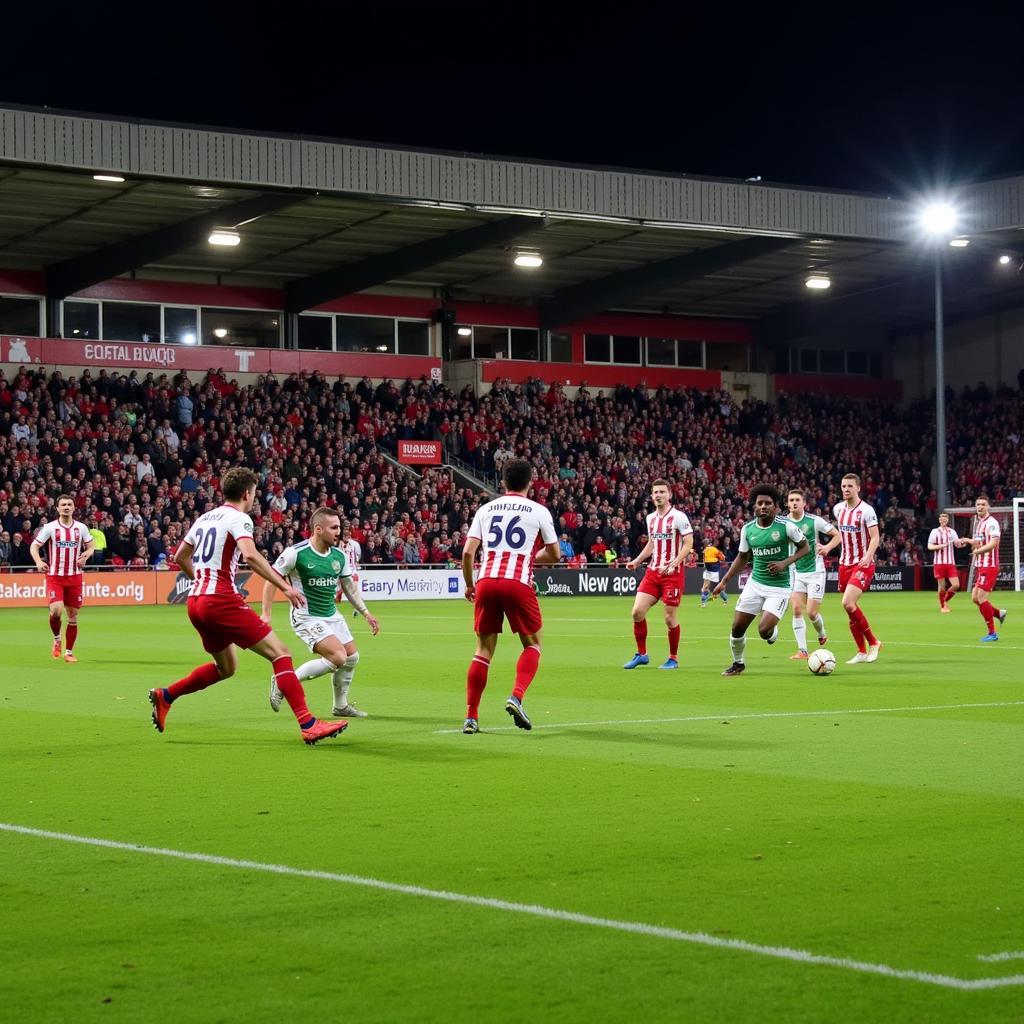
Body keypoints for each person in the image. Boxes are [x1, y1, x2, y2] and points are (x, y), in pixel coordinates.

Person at [147, 467, 349, 745]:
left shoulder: (205, 518)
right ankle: (308, 723)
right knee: (281, 654)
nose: (254, 499)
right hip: (219, 599)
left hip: (196, 602)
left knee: (226, 668)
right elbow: (251, 556)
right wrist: (285, 586)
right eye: (254, 494)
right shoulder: (239, 518)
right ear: (246, 493)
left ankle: (166, 695)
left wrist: (202, 582)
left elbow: (181, 556)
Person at [460, 458, 561, 734]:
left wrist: (470, 584)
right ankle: (516, 696)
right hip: (517, 582)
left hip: (486, 581)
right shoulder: (538, 511)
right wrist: (531, 559)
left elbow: (468, 553)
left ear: (502, 482)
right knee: (533, 645)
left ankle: (471, 717)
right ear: (531, 482)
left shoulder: (486, 509)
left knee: (483, 650)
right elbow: (555, 554)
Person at [263, 509, 380, 718]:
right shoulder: (295, 553)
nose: (339, 532)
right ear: (318, 529)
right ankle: (284, 681)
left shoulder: (339, 556)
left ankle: (340, 706)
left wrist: (366, 613)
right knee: (338, 657)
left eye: (339, 527)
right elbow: (270, 578)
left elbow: (349, 588)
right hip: (306, 616)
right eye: (333, 527)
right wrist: (266, 613)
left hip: (331, 614)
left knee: (352, 657)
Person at [711, 485, 809, 676]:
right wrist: (724, 581)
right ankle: (738, 664)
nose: (763, 506)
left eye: (768, 504)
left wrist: (784, 563)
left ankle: (771, 632)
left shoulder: (786, 527)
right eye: (760, 503)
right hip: (755, 584)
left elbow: (805, 548)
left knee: (764, 631)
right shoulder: (748, 529)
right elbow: (742, 557)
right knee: (737, 627)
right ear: (754, 506)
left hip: (780, 587)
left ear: (776, 507)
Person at [623, 479, 694, 670]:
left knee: (669, 618)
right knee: (637, 612)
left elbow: (688, 543)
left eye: (662, 492)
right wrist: (637, 560)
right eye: (655, 492)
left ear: (669, 494)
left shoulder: (679, 517)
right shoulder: (651, 518)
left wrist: (675, 563)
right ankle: (642, 654)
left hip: (673, 574)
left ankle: (673, 658)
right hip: (653, 572)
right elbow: (652, 543)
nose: (658, 495)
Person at [818, 473, 882, 664]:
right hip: (844, 564)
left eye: (849, 486)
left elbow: (875, 537)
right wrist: (828, 548)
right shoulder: (838, 509)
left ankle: (874, 642)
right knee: (850, 609)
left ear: (858, 488)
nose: (845, 489)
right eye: (843, 486)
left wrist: (869, 555)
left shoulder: (867, 511)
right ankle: (861, 652)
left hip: (862, 563)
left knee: (848, 603)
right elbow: (839, 535)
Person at [30, 495, 96, 663]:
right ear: (58, 509)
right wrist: (38, 561)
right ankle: (57, 639)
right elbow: (34, 546)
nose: (66, 507)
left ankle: (68, 652)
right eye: (63, 505)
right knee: (56, 611)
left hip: (75, 576)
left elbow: (91, 544)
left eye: (69, 504)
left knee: (73, 616)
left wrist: (86, 554)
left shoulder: (81, 528)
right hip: (55, 576)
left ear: (74, 508)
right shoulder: (50, 528)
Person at [785, 488, 836, 660]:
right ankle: (803, 650)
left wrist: (827, 548)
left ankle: (821, 632)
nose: (793, 503)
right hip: (796, 572)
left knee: (812, 613)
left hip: (815, 571)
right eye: (791, 500)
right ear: (787, 503)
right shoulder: (784, 523)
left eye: (797, 500)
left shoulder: (814, 521)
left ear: (804, 503)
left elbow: (837, 536)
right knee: (797, 609)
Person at [963, 495, 1008, 641]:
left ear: (988, 507)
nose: (980, 507)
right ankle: (999, 613)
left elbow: (994, 543)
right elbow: (979, 542)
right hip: (981, 565)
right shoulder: (979, 522)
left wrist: (978, 551)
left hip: (990, 565)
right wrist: (966, 541)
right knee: (975, 598)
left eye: (983, 504)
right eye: (978, 504)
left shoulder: (992, 523)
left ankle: (992, 633)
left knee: (981, 598)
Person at [927, 511, 961, 614]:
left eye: (945, 517)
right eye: (941, 517)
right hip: (939, 563)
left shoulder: (952, 532)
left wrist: (963, 543)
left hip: (950, 563)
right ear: (939, 520)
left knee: (956, 585)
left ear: (948, 519)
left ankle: (945, 600)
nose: (943, 519)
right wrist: (940, 546)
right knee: (941, 586)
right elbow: (929, 546)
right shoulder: (935, 532)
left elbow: (957, 545)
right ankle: (943, 606)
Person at [699, 541, 727, 607]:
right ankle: (703, 603)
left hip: (714, 571)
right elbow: (704, 559)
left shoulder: (714, 550)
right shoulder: (705, 551)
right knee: (705, 587)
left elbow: (723, 558)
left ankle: (725, 599)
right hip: (708, 570)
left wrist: (718, 560)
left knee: (717, 588)